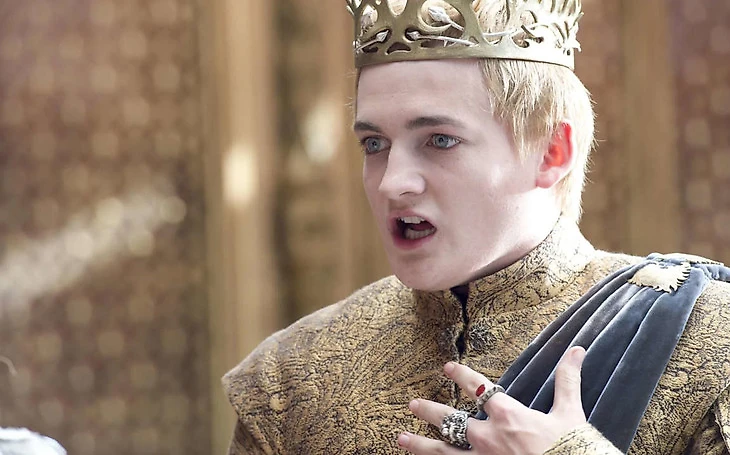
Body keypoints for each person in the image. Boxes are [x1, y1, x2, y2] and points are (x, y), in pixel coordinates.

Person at [223, 0, 730, 453]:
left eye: (439, 140)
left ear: (551, 152)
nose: (392, 183)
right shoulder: (288, 380)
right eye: (374, 144)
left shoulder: (711, 340)